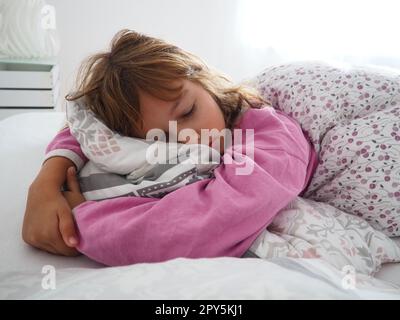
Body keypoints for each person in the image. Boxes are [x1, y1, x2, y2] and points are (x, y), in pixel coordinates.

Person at [22, 29, 318, 265]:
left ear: (203, 79)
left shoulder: (272, 136)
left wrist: (81, 221)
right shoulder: (187, 117)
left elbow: (205, 224)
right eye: (159, 137)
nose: (188, 137)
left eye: (188, 112)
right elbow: (85, 129)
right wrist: (46, 182)